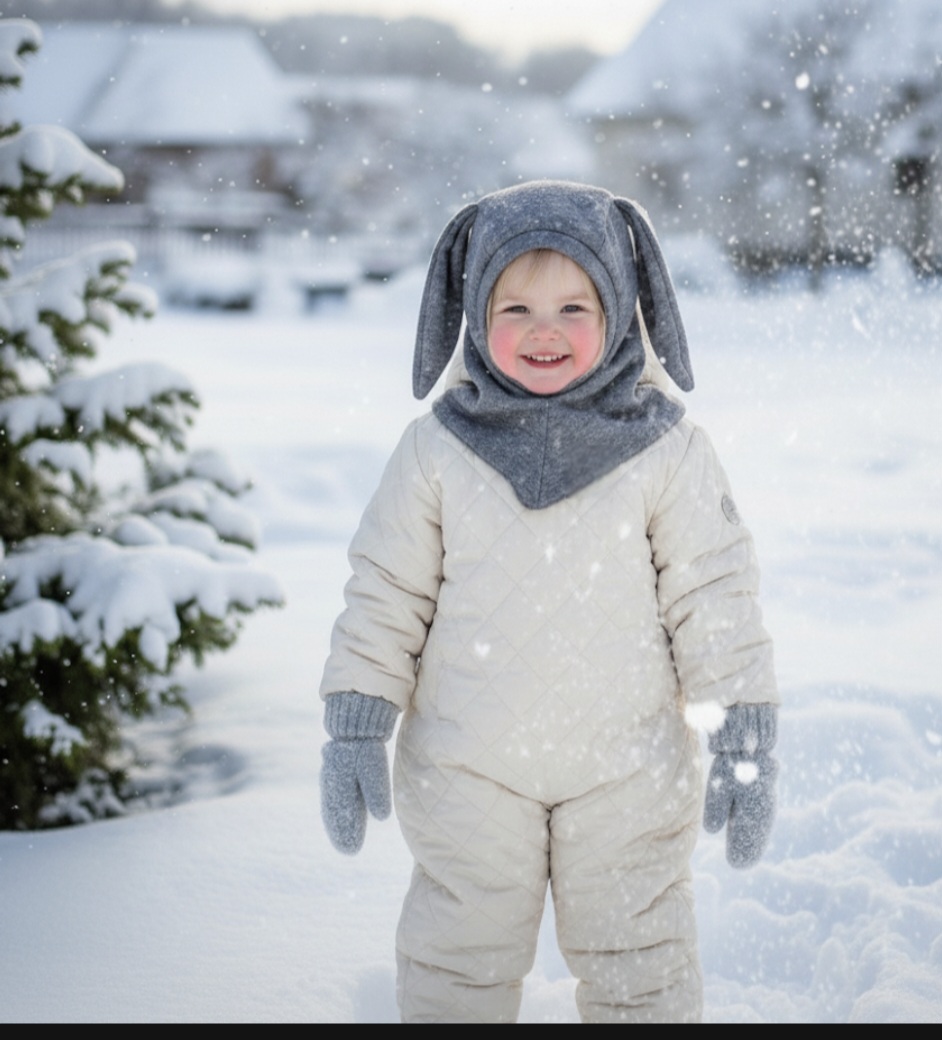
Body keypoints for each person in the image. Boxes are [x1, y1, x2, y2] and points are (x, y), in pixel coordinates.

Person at [318, 180, 779, 1023]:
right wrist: (357, 718)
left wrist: (743, 735)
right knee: (457, 959)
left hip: (628, 772)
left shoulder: (667, 451)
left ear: (620, 311)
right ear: (472, 314)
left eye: (574, 306)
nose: (543, 331)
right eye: (515, 307)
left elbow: (714, 598)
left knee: (639, 958)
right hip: (467, 770)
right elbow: (385, 591)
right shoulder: (436, 451)